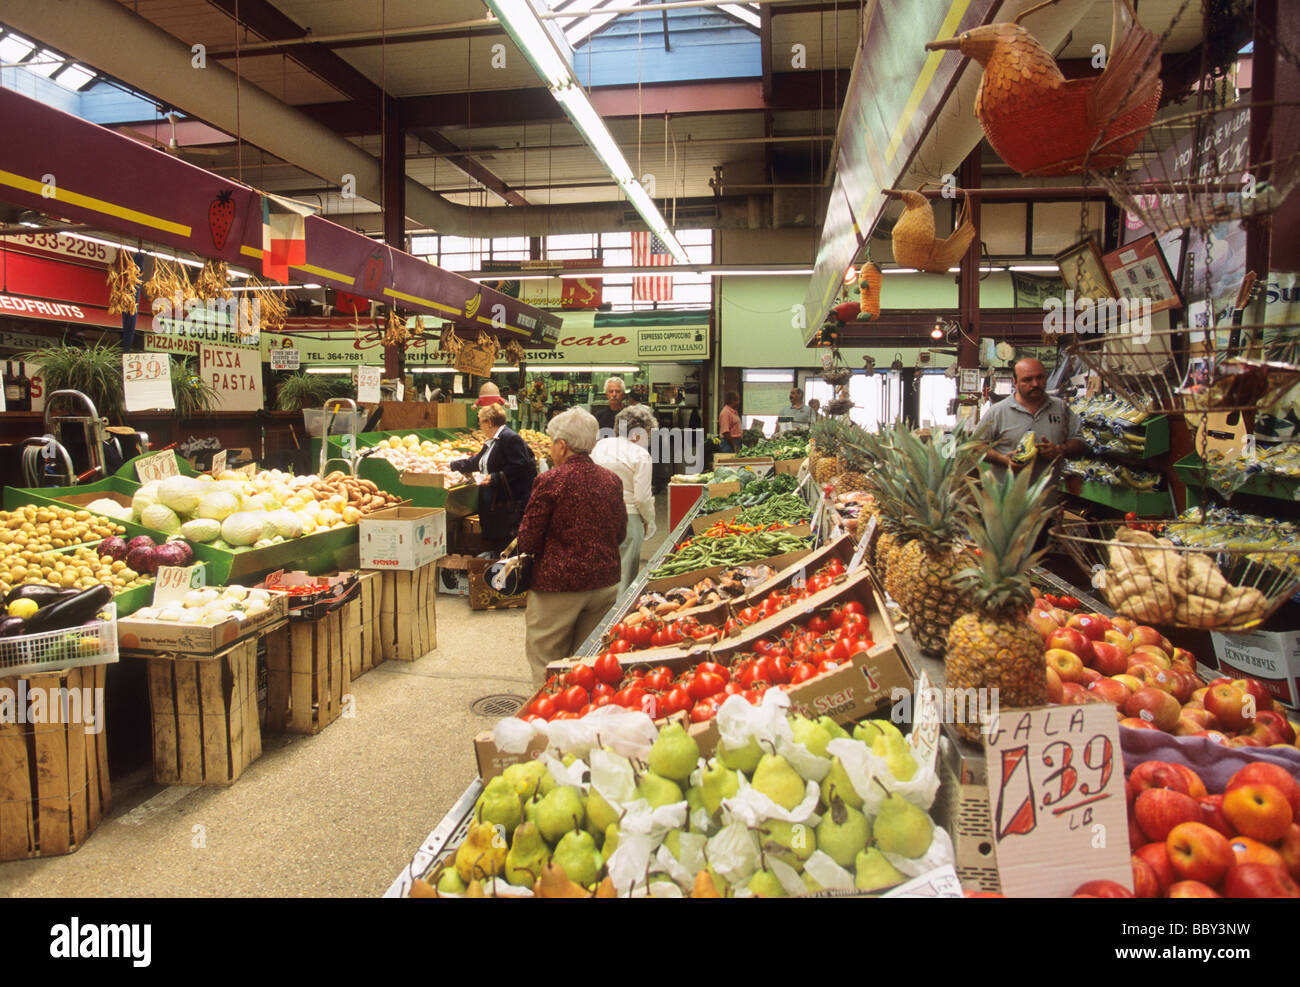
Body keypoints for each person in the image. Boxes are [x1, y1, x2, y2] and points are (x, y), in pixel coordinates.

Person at [517, 408, 627, 682]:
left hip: (558, 587)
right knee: (585, 662)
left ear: (562, 445)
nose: (551, 448)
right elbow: (621, 533)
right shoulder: (611, 480)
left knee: (547, 661)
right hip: (604, 583)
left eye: (552, 441)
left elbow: (528, 539)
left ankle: (550, 716)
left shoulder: (550, 481)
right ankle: (579, 713)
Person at [978, 357, 1084, 504]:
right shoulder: (998, 412)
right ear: (1015, 381)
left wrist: (1059, 450)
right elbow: (976, 447)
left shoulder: (1060, 408)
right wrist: (1003, 459)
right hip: (1004, 507)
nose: (1035, 384)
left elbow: (1078, 441)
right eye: (1027, 380)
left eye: (1040, 378)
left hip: (1044, 505)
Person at [449, 404, 537, 553]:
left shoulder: (510, 438)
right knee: (496, 545)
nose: (479, 426)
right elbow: (479, 461)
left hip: (506, 506)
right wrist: (454, 465)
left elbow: (521, 465)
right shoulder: (493, 441)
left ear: (489, 422)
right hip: (495, 506)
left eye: (480, 422)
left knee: (504, 546)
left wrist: (495, 477)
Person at [591, 405, 658, 596]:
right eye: (648, 433)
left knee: (600, 573)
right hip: (629, 517)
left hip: (597, 516)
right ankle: (617, 621)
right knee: (625, 575)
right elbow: (642, 498)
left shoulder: (599, 446)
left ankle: (597, 617)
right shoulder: (640, 454)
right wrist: (648, 520)